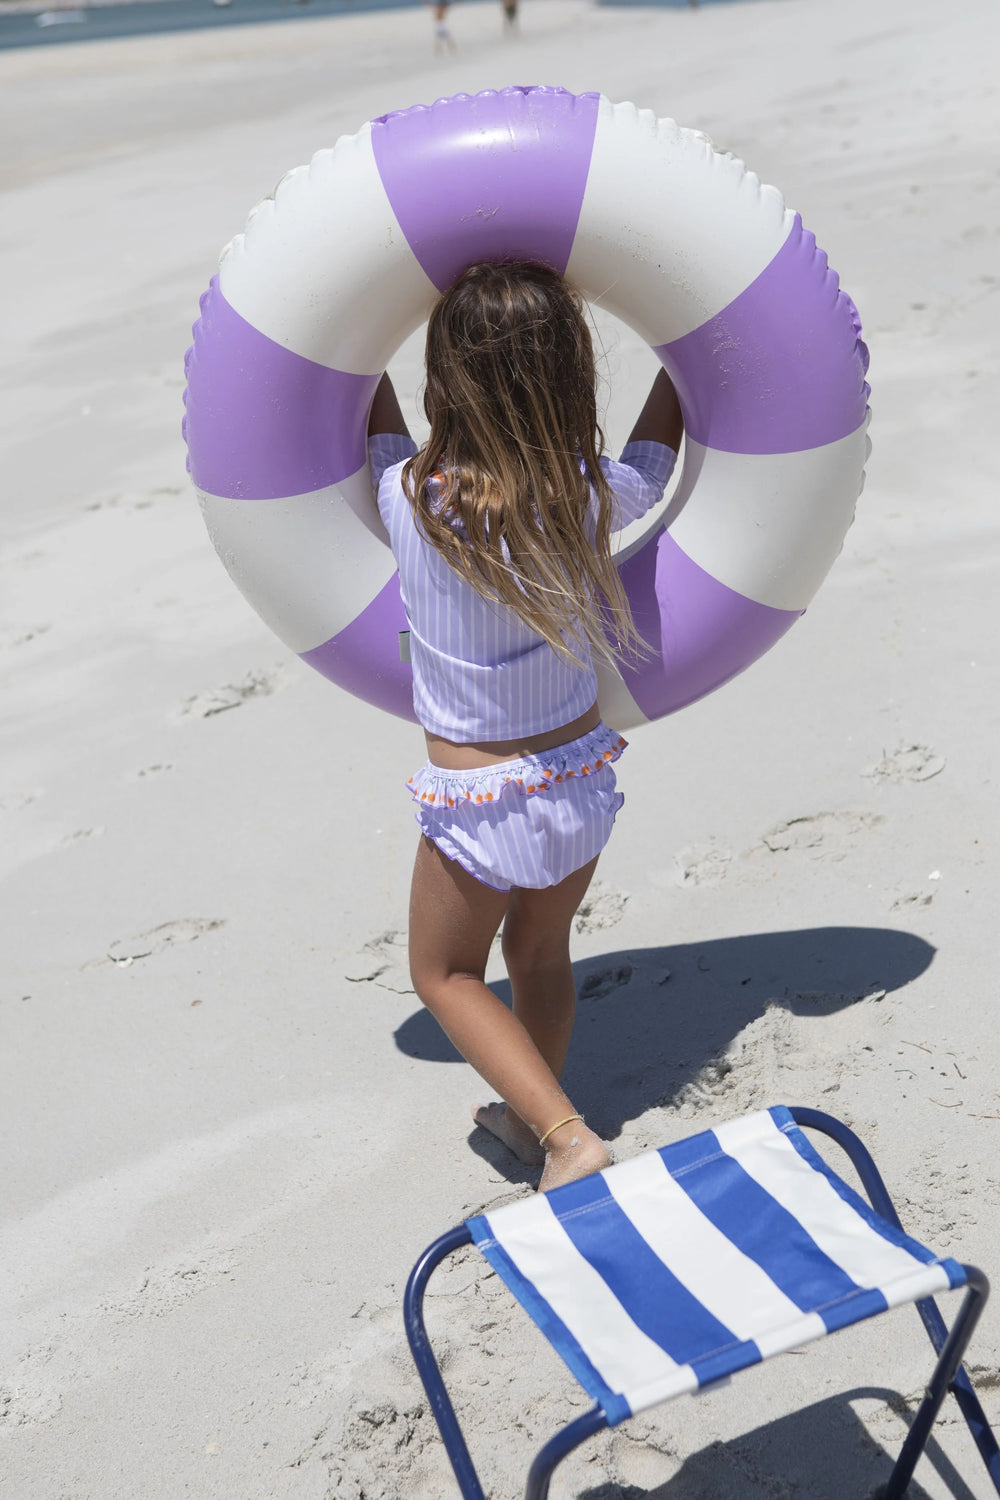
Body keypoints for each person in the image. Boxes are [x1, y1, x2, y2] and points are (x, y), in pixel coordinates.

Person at [367, 261, 683, 1192]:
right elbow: (657, 469)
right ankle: (526, 1112)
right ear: (570, 373)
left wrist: (354, 345)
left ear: (445, 382)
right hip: (582, 776)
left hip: (480, 801)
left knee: (447, 975)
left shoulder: (411, 499)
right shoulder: (587, 491)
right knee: (539, 952)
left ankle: (568, 1138)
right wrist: (684, 358)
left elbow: (361, 401)